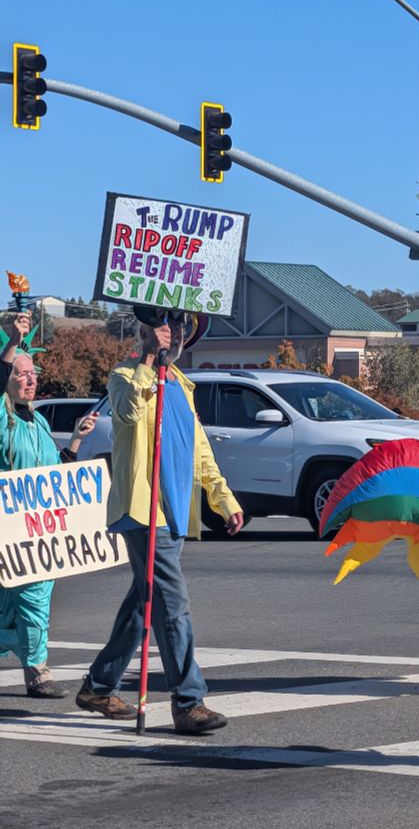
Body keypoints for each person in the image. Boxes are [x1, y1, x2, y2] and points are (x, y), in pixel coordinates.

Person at [76, 310, 245, 734]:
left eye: (183, 329)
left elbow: (199, 450)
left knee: (143, 603)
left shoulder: (182, 386)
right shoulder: (124, 376)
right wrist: (149, 361)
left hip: (174, 510)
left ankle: (98, 686)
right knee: (172, 604)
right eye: (169, 327)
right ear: (147, 332)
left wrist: (223, 498)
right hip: (142, 510)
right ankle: (188, 701)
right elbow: (128, 414)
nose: (177, 335)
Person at [0, 312, 97, 697]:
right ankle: (35, 667)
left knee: (33, 595)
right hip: (7, 527)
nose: (30, 379)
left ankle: (36, 669)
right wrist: (12, 342)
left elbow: (54, 474)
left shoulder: (38, 422)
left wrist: (75, 441)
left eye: (33, 374)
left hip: (38, 534)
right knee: (11, 602)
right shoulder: (2, 418)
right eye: (20, 373)